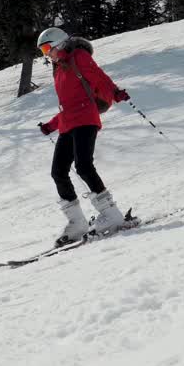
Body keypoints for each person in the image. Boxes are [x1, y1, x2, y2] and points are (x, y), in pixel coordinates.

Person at [36, 27, 132, 246]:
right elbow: (67, 105)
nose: (46, 54)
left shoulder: (78, 56)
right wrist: (51, 125)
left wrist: (115, 92)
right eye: (42, 51)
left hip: (86, 118)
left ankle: (112, 215)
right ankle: (77, 222)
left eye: (47, 48)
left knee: (83, 166)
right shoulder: (59, 68)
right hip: (68, 123)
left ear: (59, 43)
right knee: (58, 172)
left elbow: (99, 78)